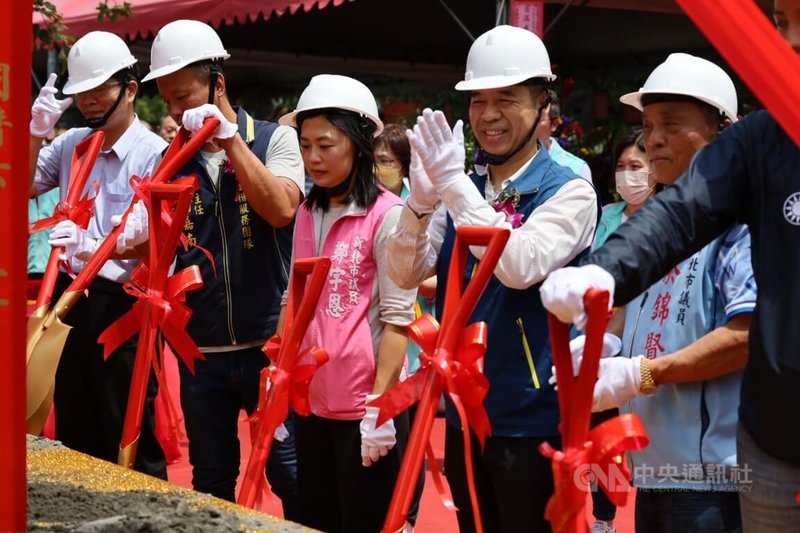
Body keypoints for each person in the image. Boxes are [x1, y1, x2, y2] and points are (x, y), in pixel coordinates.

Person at [542, 52, 769, 532]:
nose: (653, 139)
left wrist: (642, 373)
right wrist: (605, 343)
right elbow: (644, 314)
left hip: (715, 478)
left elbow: (745, 335)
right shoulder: (659, 226)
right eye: (648, 124)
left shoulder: (742, 228)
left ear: (724, 134)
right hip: (658, 468)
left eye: (671, 123)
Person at [388, 25, 599, 531]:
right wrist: (418, 203)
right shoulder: (463, 186)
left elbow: (519, 264)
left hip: (532, 415)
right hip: (463, 411)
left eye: (506, 99)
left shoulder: (571, 192)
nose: (488, 115)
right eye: (478, 100)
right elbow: (405, 271)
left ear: (543, 106)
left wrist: (455, 186)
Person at [132, 19, 304, 515]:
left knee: (288, 473)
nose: (176, 111)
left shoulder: (274, 141)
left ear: (218, 83)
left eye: (183, 97)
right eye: (167, 101)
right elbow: (152, 246)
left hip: (269, 345)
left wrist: (231, 142)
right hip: (200, 350)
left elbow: (281, 209)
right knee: (210, 480)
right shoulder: (171, 161)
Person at [278, 74, 416, 533]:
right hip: (310, 400)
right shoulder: (306, 211)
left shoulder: (387, 214)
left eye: (326, 144)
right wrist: (279, 375)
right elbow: (293, 298)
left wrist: (380, 407)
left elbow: (399, 319)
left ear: (357, 143)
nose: (313, 157)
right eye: (305, 145)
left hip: (362, 410)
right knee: (316, 519)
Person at [29, 31, 167, 477]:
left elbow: (161, 241)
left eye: (98, 90)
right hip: (70, 296)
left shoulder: (155, 154)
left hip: (122, 300)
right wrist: (33, 133)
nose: (88, 102)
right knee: (75, 423)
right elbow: (23, 184)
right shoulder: (72, 144)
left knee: (124, 423)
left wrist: (96, 247)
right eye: (81, 93)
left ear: (130, 89)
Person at [374, 123, 432, 528]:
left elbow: (436, 275)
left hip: (414, 338)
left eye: (387, 162)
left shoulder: (422, 204)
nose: (379, 170)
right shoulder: (372, 202)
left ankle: (407, 518)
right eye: (374, 161)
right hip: (376, 337)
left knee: (409, 438)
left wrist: (402, 274)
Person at [593, 127, 655, 249]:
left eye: (635, 166)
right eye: (620, 166)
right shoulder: (603, 217)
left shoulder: (671, 220)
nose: (626, 174)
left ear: (656, 169)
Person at [535, 90, 592, 182]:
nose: (529, 125)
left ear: (554, 124)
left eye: (538, 118)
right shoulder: (508, 164)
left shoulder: (576, 169)